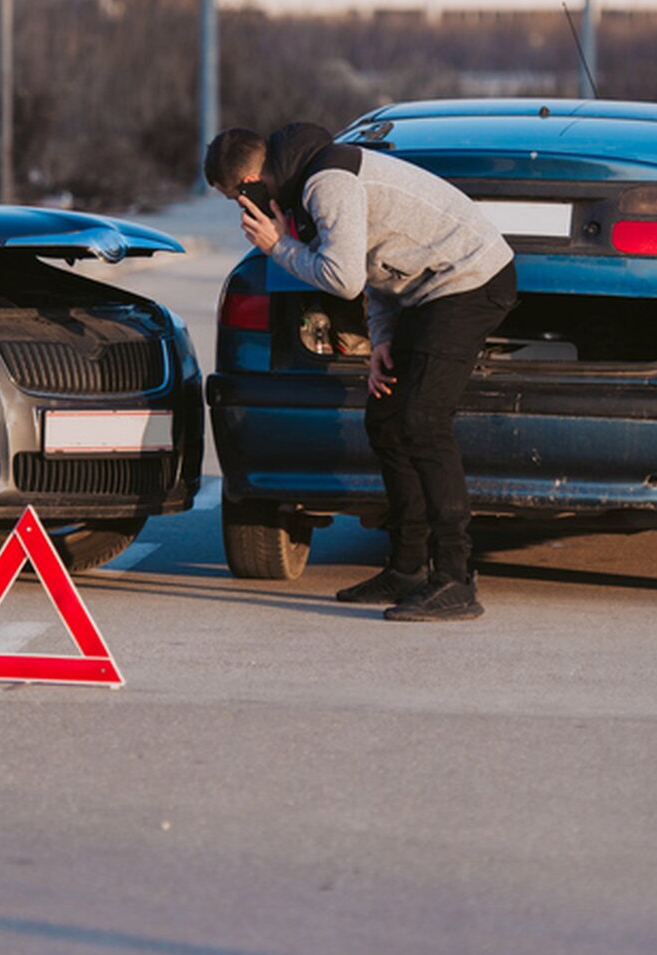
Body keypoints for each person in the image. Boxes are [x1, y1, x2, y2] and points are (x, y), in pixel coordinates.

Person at [204, 123, 515, 621]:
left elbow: (343, 279)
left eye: (235, 200)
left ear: (250, 183)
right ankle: (408, 567)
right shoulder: (306, 184)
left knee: (422, 422)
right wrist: (383, 339)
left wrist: (276, 247)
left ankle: (455, 579)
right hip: (424, 290)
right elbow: (378, 268)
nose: (244, 212)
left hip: (470, 278)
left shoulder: (326, 184)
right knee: (386, 419)